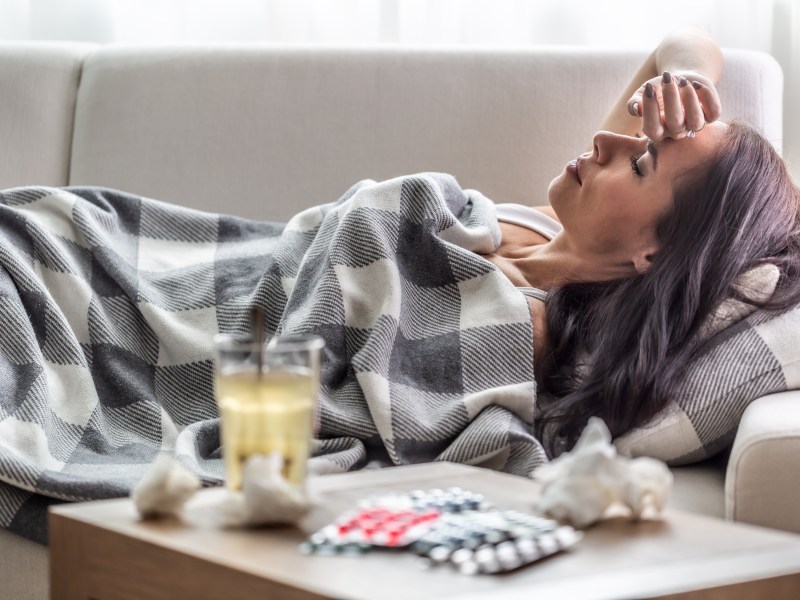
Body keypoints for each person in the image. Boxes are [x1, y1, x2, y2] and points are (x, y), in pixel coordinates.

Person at [479, 28, 800, 455]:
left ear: (654, 251)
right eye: (640, 137)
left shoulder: (526, 324)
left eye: (639, 163)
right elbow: (683, 43)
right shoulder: (562, 223)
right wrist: (687, 78)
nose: (604, 140)